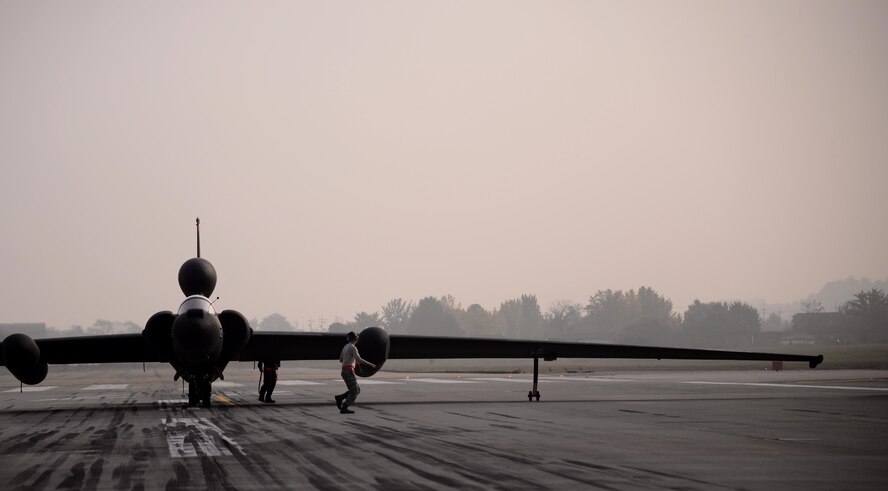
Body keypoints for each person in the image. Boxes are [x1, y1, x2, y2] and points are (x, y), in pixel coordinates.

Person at [335, 331, 375, 414]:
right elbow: (359, 359)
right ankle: (344, 407)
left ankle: (340, 397)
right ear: (356, 339)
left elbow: (341, 360)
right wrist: (370, 364)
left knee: (357, 390)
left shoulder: (345, 347)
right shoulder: (353, 347)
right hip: (349, 370)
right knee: (354, 391)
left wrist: (352, 360)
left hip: (344, 370)